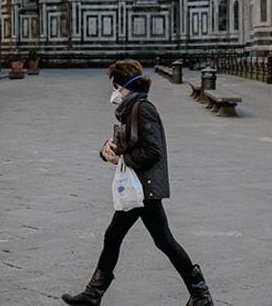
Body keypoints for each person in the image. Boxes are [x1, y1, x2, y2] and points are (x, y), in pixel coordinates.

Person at [62, 59, 214, 306]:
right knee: (141, 238)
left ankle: (200, 293)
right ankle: (199, 293)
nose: (115, 93)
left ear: (126, 87)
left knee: (149, 239)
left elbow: (153, 151)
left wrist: (122, 158)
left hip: (144, 188)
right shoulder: (132, 108)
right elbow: (130, 142)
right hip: (140, 185)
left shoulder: (143, 108)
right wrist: (107, 151)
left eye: (118, 88)